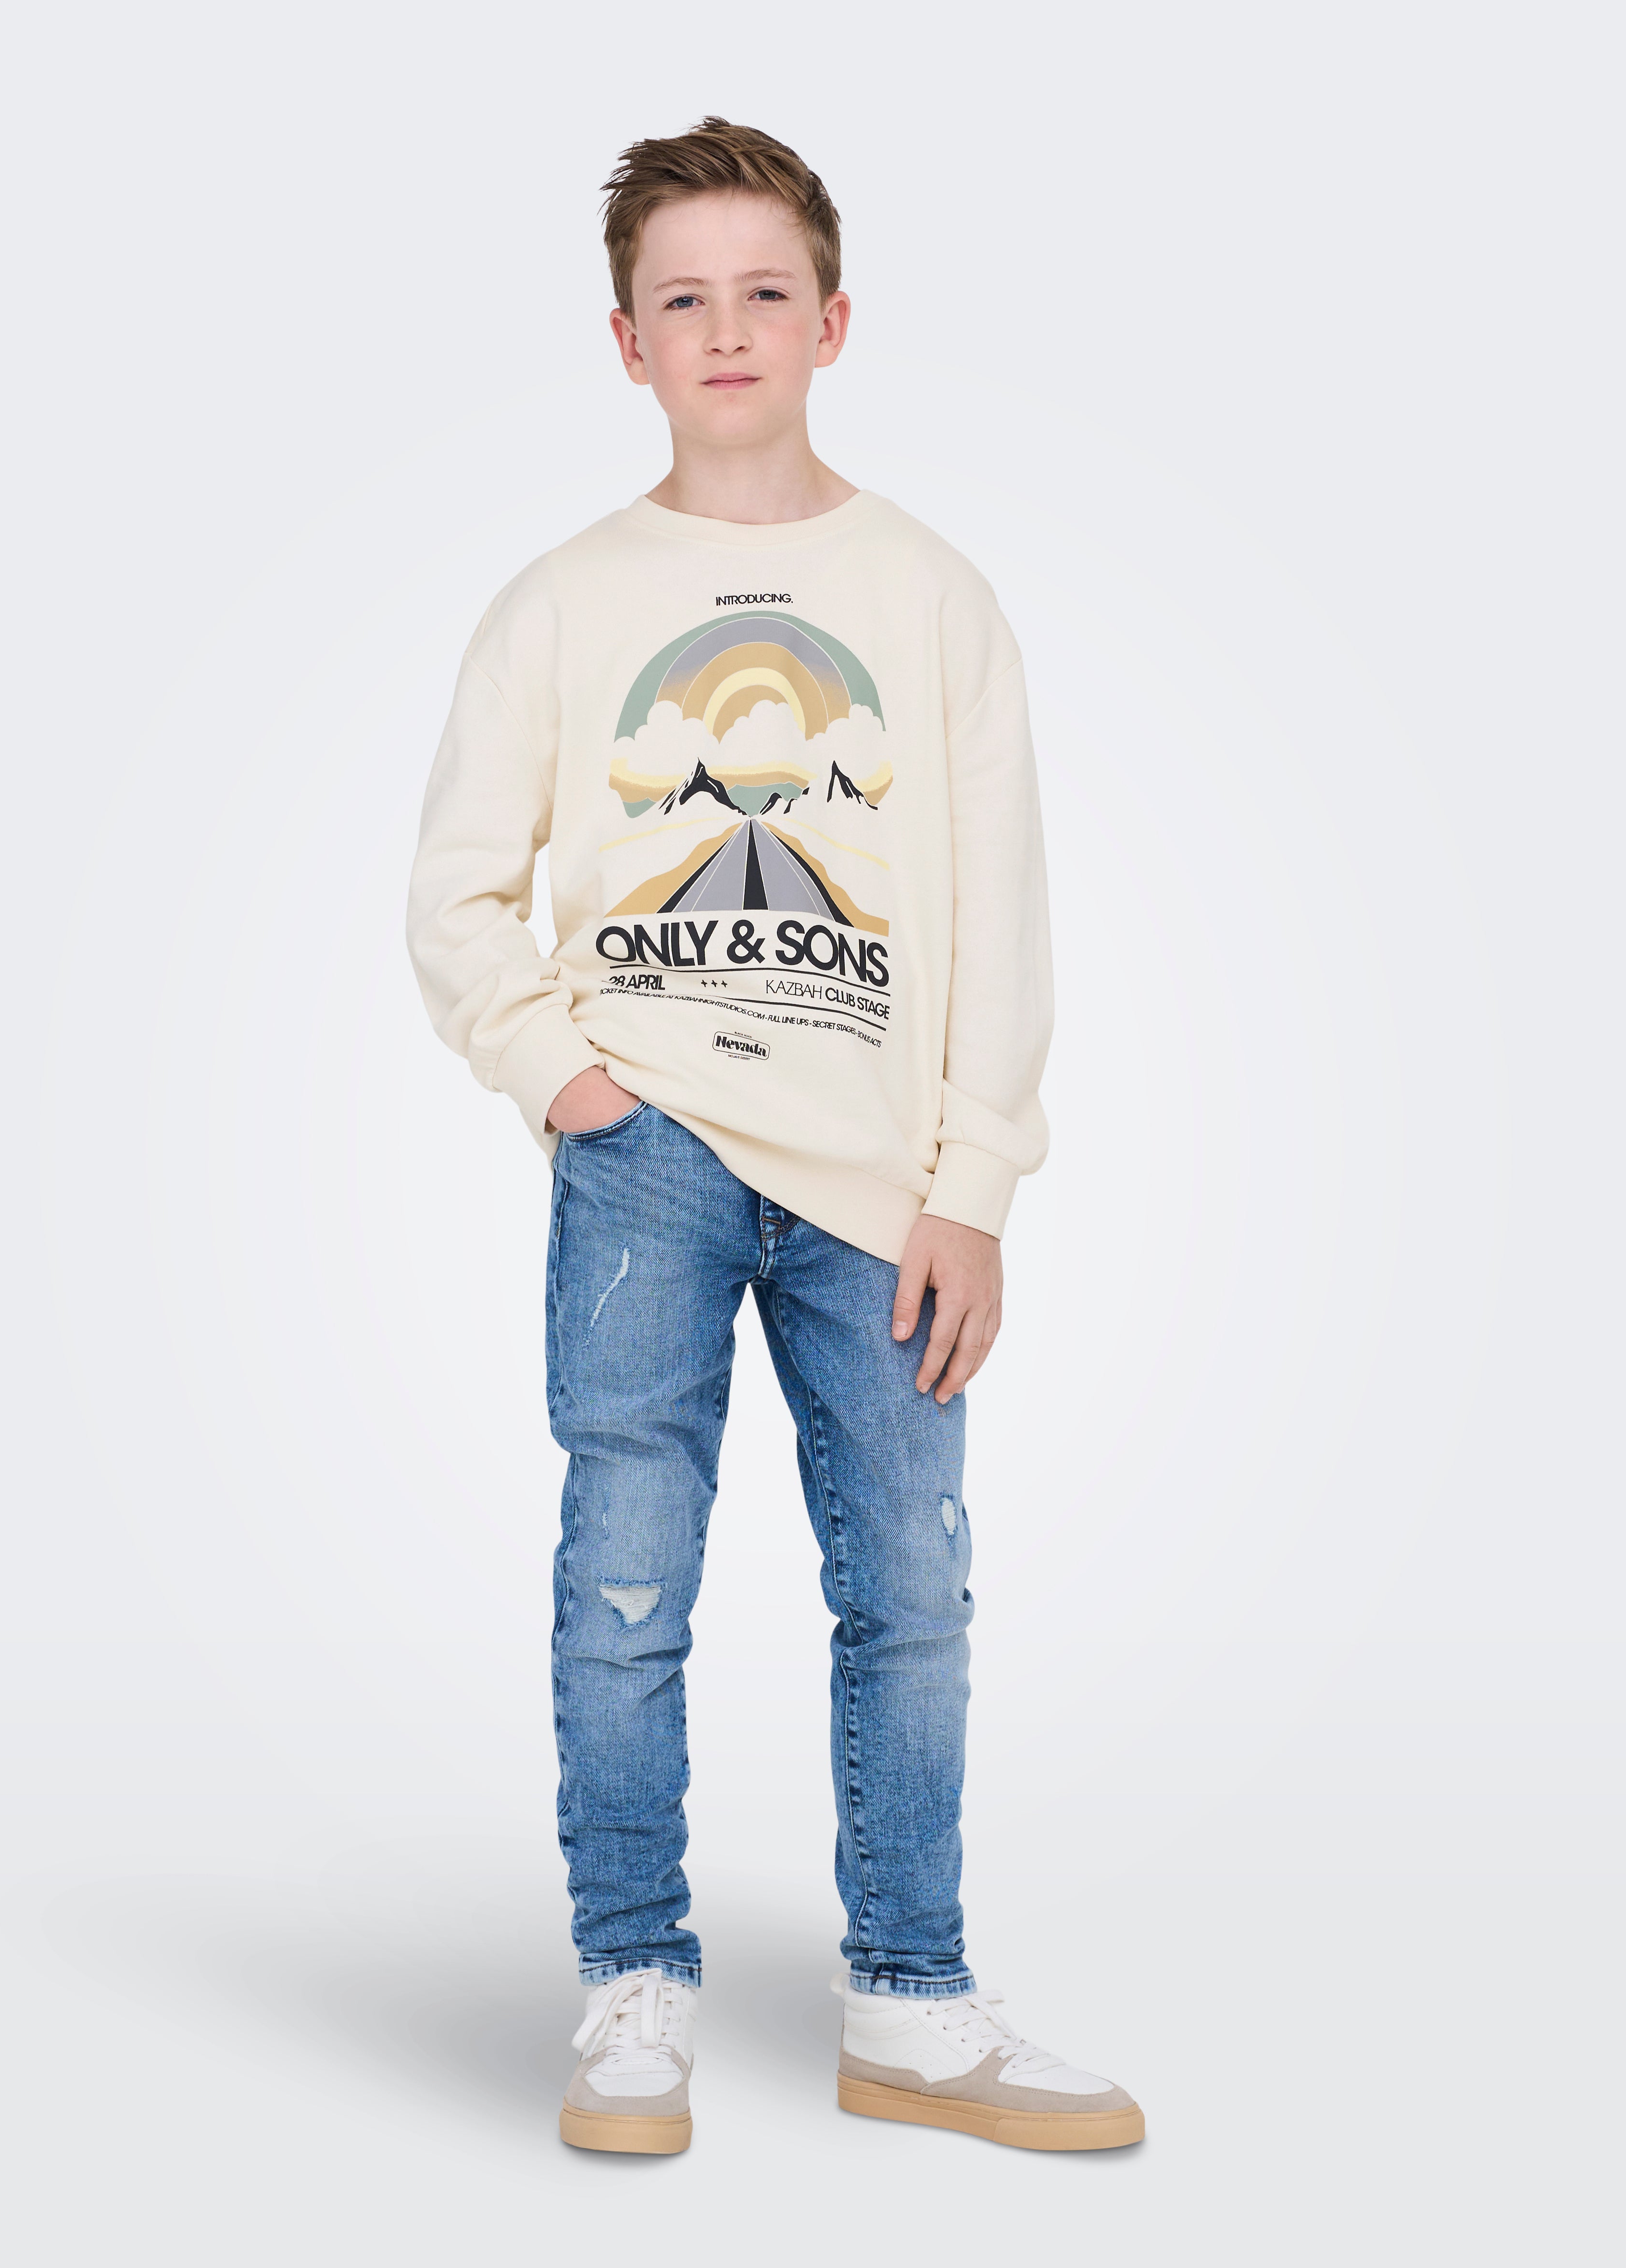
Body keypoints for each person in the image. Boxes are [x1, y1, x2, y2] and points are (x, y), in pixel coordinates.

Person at [406, 116, 1143, 2157]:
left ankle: (911, 1997)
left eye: (762, 291)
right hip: (643, 1156)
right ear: (625, 341)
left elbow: (999, 909)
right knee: (625, 1580)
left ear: (832, 320)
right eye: (682, 298)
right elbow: (456, 889)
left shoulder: (927, 594)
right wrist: (564, 1075)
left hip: (878, 1184)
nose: (725, 328)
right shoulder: (564, 602)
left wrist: (974, 1186)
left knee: (910, 1587)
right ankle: (632, 1980)